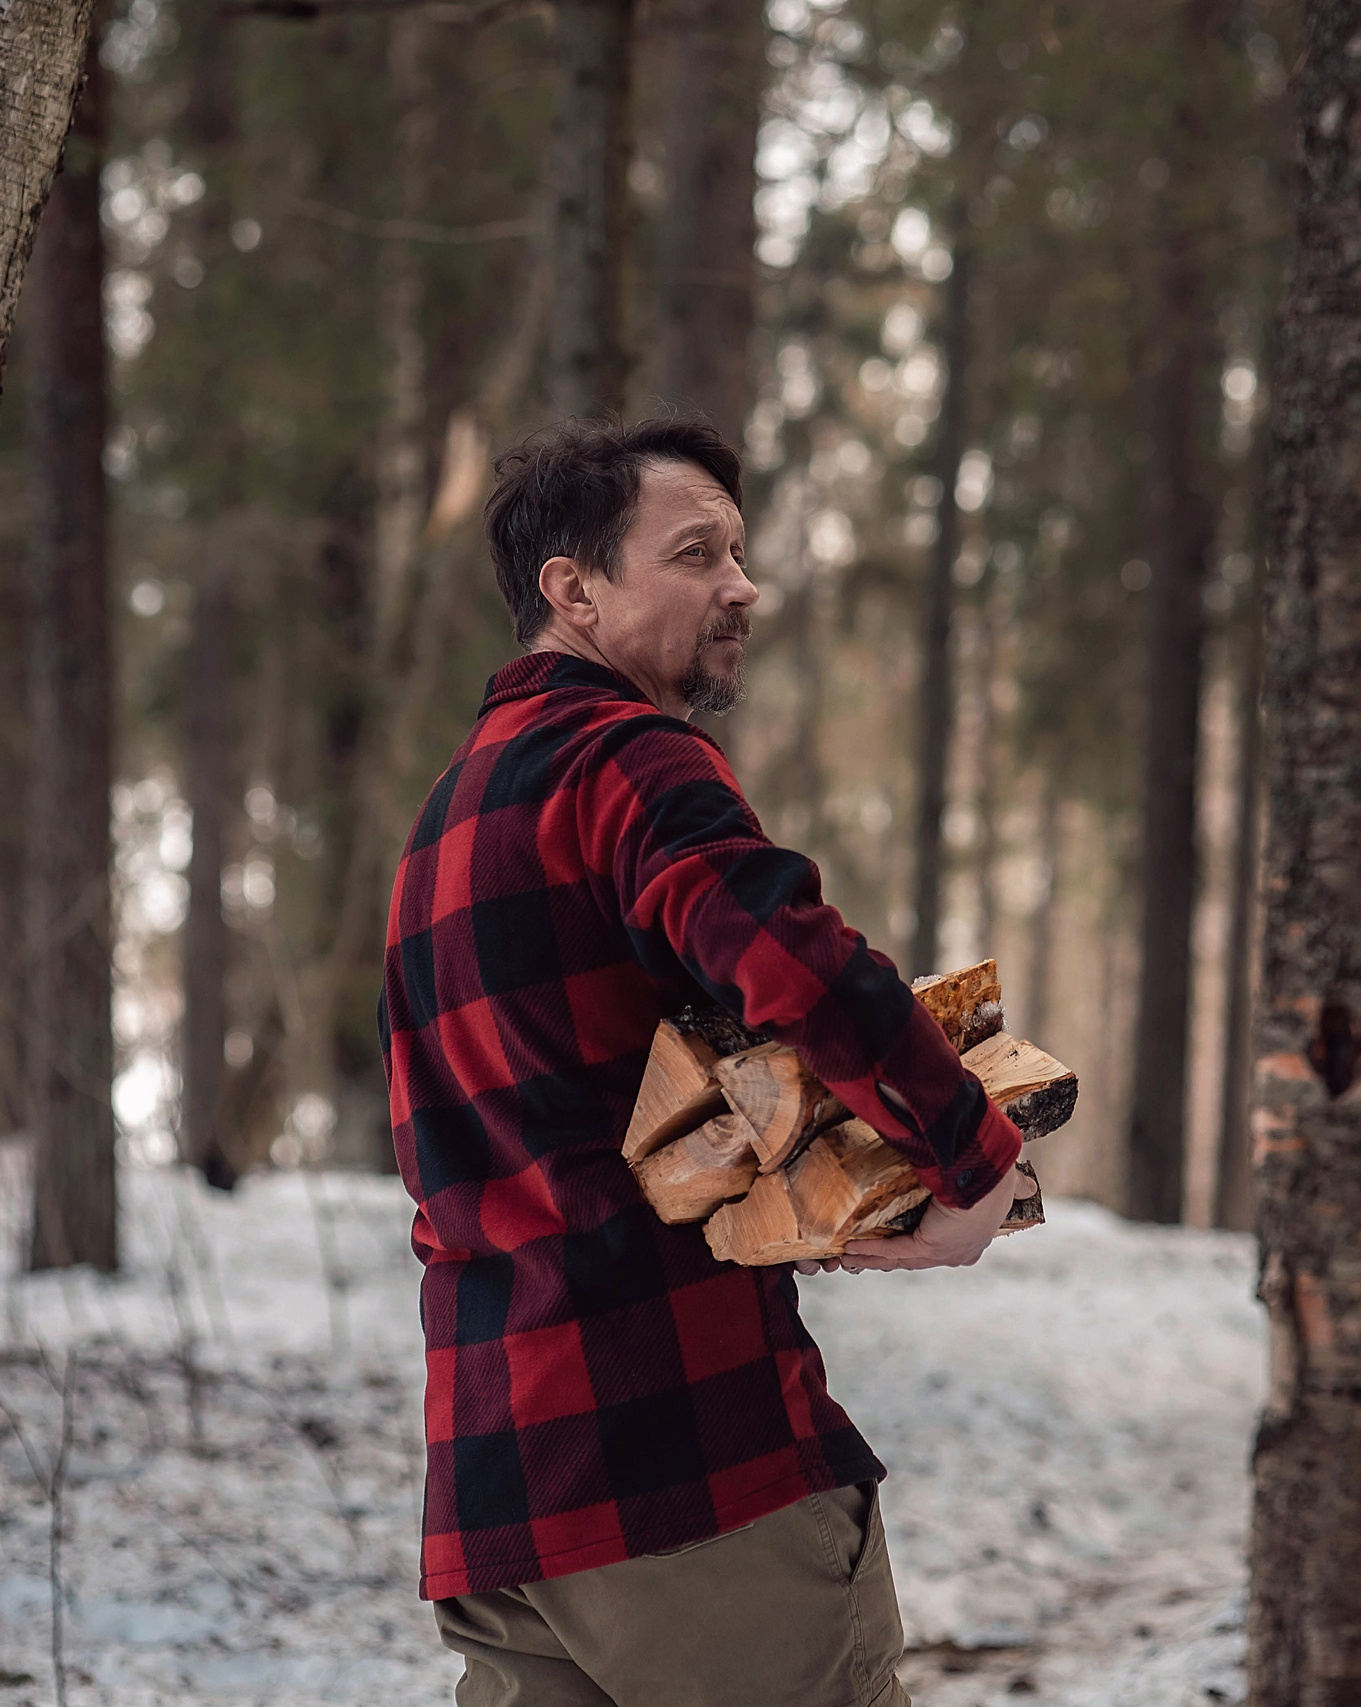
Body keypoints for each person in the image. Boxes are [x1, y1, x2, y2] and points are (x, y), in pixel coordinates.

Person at [381, 416, 1025, 1706]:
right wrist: (970, 1160)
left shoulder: (448, 814)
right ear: (575, 589)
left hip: (499, 1483)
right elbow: (795, 965)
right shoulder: (626, 762)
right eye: (695, 553)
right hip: (678, 1448)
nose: (742, 586)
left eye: (738, 550)